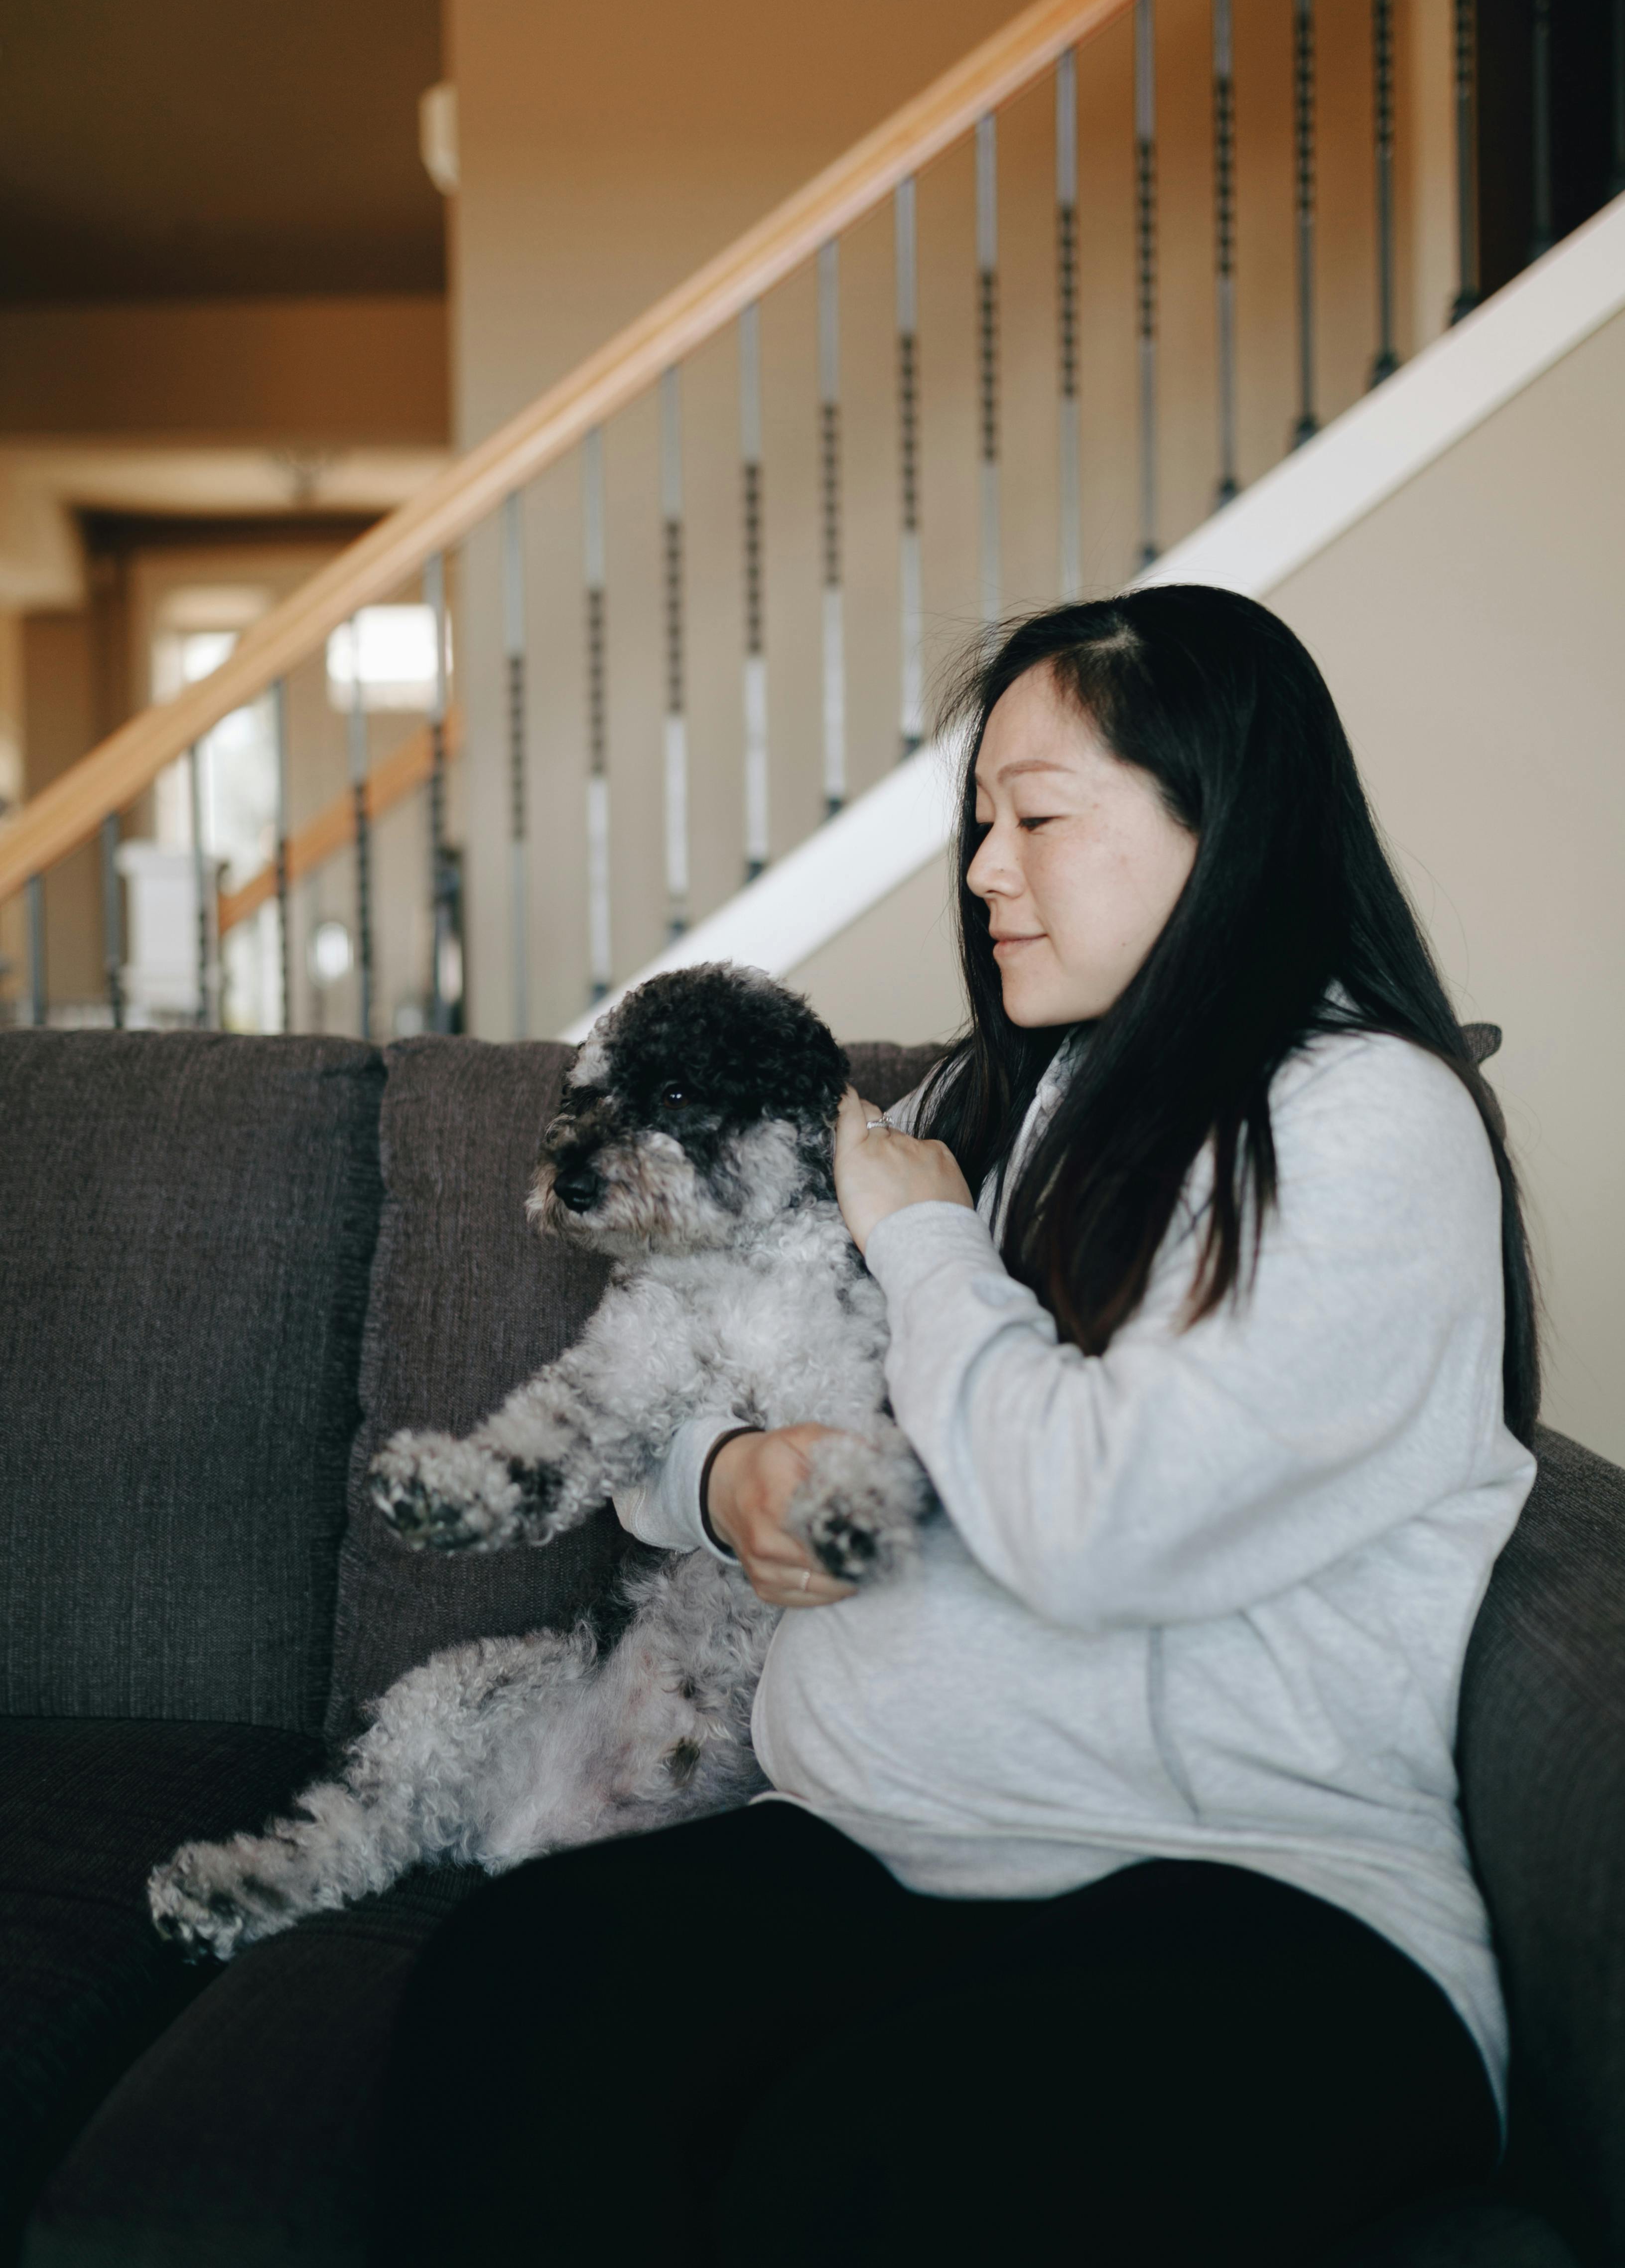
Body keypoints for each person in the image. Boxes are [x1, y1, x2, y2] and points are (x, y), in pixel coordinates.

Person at [375, 588, 1537, 2268]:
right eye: (981, 822)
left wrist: (925, 1244)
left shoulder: (1366, 1122)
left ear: (1232, 826)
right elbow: (654, 1394)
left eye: (1040, 817)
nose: (985, 872)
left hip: (1248, 1893)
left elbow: (1099, 1522)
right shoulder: (987, 1105)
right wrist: (725, 1481)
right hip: (867, 1852)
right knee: (513, 1989)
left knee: (861, 2176)